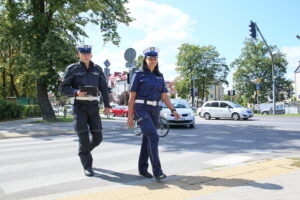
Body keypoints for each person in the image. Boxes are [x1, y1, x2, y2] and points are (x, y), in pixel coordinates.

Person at [127, 47, 180, 180]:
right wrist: (129, 117)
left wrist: (173, 110)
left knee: (147, 139)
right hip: (142, 109)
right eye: (150, 58)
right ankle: (157, 171)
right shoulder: (138, 75)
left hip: (155, 110)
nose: (152, 61)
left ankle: (142, 168)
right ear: (145, 59)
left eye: (155, 58)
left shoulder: (159, 76)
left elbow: (165, 96)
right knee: (154, 137)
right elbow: (132, 97)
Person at [61, 44, 111, 177]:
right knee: (83, 138)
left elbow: (104, 89)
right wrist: (76, 92)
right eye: (82, 53)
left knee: (98, 138)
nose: (85, 55)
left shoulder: (98, 69)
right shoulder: (72, 69)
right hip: (79, 108)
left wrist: (107, 105)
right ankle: (87, 166)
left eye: (87, 52)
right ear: (78, 54)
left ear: (91, 54)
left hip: (94, 108)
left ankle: (83, 152)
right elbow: (63, 88)